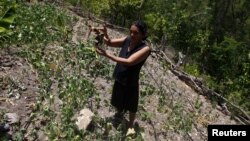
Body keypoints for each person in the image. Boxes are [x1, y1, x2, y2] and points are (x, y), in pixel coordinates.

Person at [95, 20, 151, 131]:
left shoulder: (145, 49)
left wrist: (107, 55)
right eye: (131, 32)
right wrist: (105, 34)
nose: (132, 35)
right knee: (118, 98)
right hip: (120, 75)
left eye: (136, 33)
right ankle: (119, 114)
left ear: (143, 34)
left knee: (131, 105)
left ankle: (130, 124)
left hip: (131, 80)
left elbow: (129, 61)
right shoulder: (128, 40)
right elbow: (109, 42)